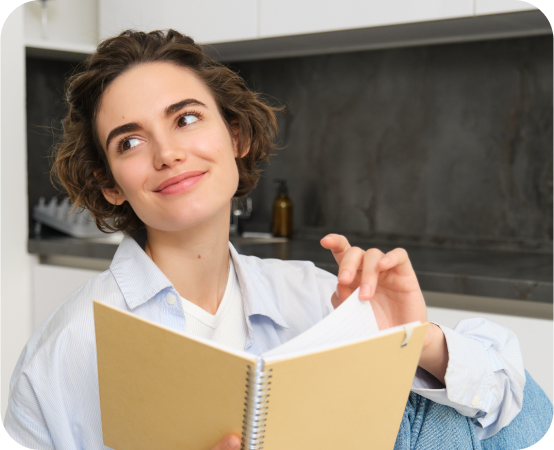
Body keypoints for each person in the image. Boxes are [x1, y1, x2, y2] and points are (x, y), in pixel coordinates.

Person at [3, 30, 551, 450]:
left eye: (187, 118)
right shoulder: (65, 354)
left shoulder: (312, 297)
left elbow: (514, 408)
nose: (167, 153)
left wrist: (413, 340)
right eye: (129, 142)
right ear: (110, 185)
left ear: (235, 136)